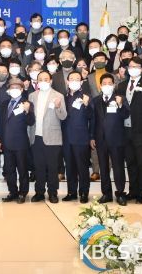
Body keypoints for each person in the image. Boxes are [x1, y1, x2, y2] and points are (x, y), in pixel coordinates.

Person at [117, 57, 142, 204]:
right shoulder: (121, 85)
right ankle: (133, 191)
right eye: (131, 66)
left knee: (141, 162)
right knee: (131, 163)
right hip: (125, 130)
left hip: (140, 129)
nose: (133, 69)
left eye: (136, 66)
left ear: (141, 68)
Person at [90, 73, 130, 205]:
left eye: (109, 83)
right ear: (100, 86)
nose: (107, 85)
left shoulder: (120, 98)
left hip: (116, 139)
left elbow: (126, 115)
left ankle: (120, 193)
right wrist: (92, 137)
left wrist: (120, 105)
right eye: (104, 83)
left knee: (118, 167)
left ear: (114, 85)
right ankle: (106, 193)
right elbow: (93, 120)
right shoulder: (95, 100)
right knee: (103, 167)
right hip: (100, 139)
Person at [27, 70, 67, 203]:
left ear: (50, 81)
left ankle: (52, 192)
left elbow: (63, 116)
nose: (43, 82)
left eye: (46, 79)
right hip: (36, 136)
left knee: (52, 167)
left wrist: (58, 107)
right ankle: (39, 192)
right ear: (37, 82)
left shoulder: (58, 95)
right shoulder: (32, 96)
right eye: (40, 80)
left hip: (52, 137)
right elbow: (30, 117)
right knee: (38, 167)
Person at [0, 78, 35, 204]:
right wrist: (0, 140)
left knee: (22, 170)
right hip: (6, 142)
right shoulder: (4, 104)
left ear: (21, 89)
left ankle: (22, 193)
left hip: (20, 143)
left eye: (17, 88)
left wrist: (27, 110)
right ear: (8, 90)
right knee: (9, 170)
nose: (14, 90)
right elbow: (2, 123)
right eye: (12, 88)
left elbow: (31, 122)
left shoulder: (27, 103)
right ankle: (12, 192)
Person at [62, 71, 92, 204]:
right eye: (72, 79)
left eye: (77, 79)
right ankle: (71, 192)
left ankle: (84, 192)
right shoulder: (62, 97)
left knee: (82, 167)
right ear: (67, 81)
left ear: (81, 82)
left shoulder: (86, 97)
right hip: (66, 138)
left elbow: (91, 116)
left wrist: (86, 105)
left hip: (81, 137)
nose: (74, 81)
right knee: (70, 166)